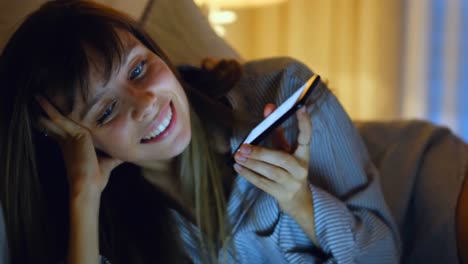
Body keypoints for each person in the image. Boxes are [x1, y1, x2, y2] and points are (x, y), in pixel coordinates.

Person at [0, 1, 401, 263]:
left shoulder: (284, 96)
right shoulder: (101, 222)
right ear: (76, 140)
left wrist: (301, 203)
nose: (145, 102)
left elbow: (384, 255)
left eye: (139, 69)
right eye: (106, 111)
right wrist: (83, 194)